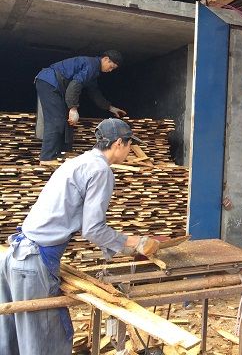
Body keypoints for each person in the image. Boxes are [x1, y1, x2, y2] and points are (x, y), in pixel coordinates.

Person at [0, 118, 161, 355]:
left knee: (11, 340)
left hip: (14, 257)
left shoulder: (78, 162)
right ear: (118, 143)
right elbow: (93, 229)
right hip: (33, 263)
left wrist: (120, 245)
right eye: (129, 145)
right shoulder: (101, 170)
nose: (130, 150)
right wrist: (136, 242)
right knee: (46, 342)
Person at [35, 50, 128, 162]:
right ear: (106, 59)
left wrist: (111, 108)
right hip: (49, 82)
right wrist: (73, 108)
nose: (110, 70)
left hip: (56, 86)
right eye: (111, 67)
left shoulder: (93, 72)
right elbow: (75, 85)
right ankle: (46, 158)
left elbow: (94, 93)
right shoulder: (91, 65)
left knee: (66, 121)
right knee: (56, 120)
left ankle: (62, 153)